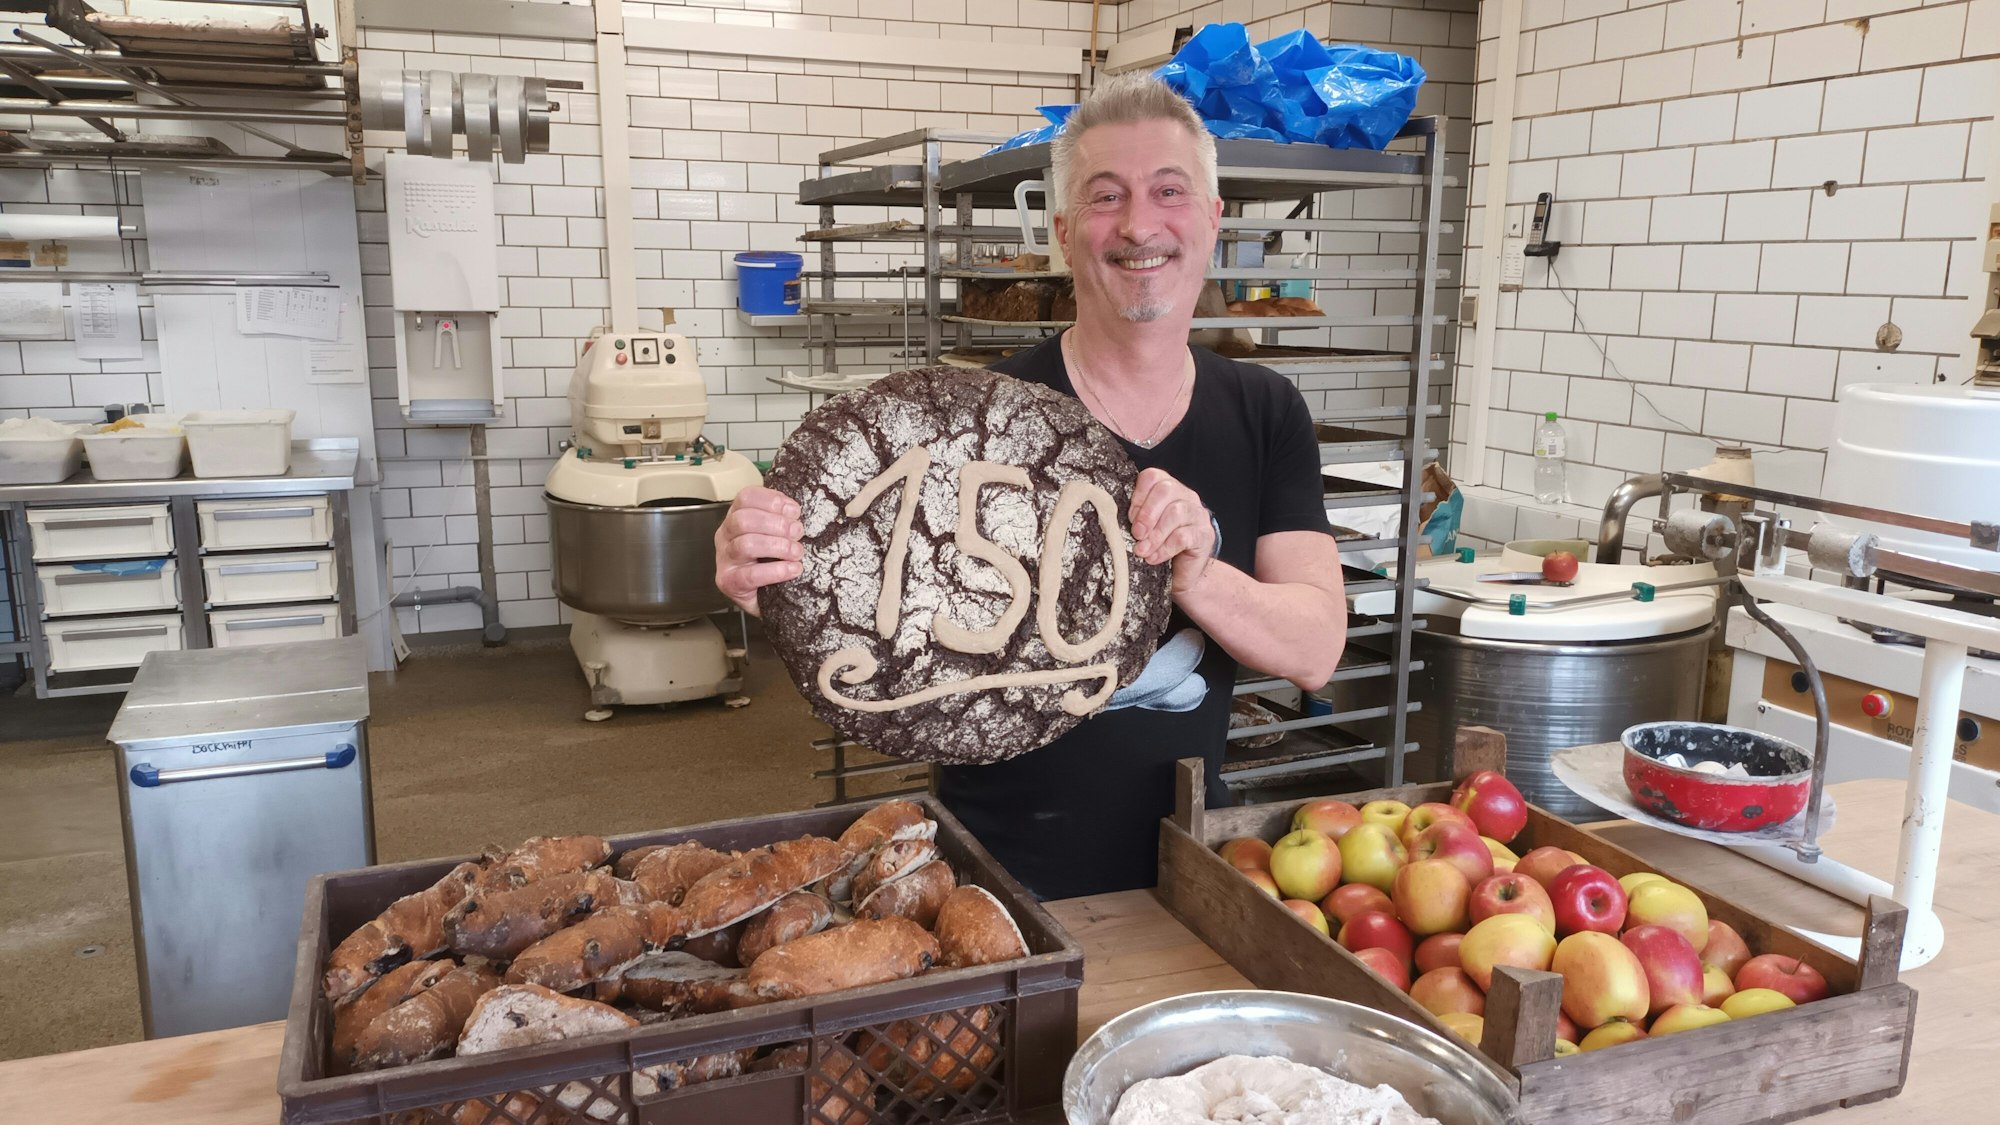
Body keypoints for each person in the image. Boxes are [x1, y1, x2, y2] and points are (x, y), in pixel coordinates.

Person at [715, 73, 1347, 899]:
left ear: (1213, 219)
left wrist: (1195, 575)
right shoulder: (972, 422)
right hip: (993, 876)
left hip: (1195, 872)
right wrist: (771, 574)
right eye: (1104, 197)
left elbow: (1316, 648)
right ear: (1062, 233)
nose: (1138, 224)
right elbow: (875, 630)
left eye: (1169, 191)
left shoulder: (1266, 411)